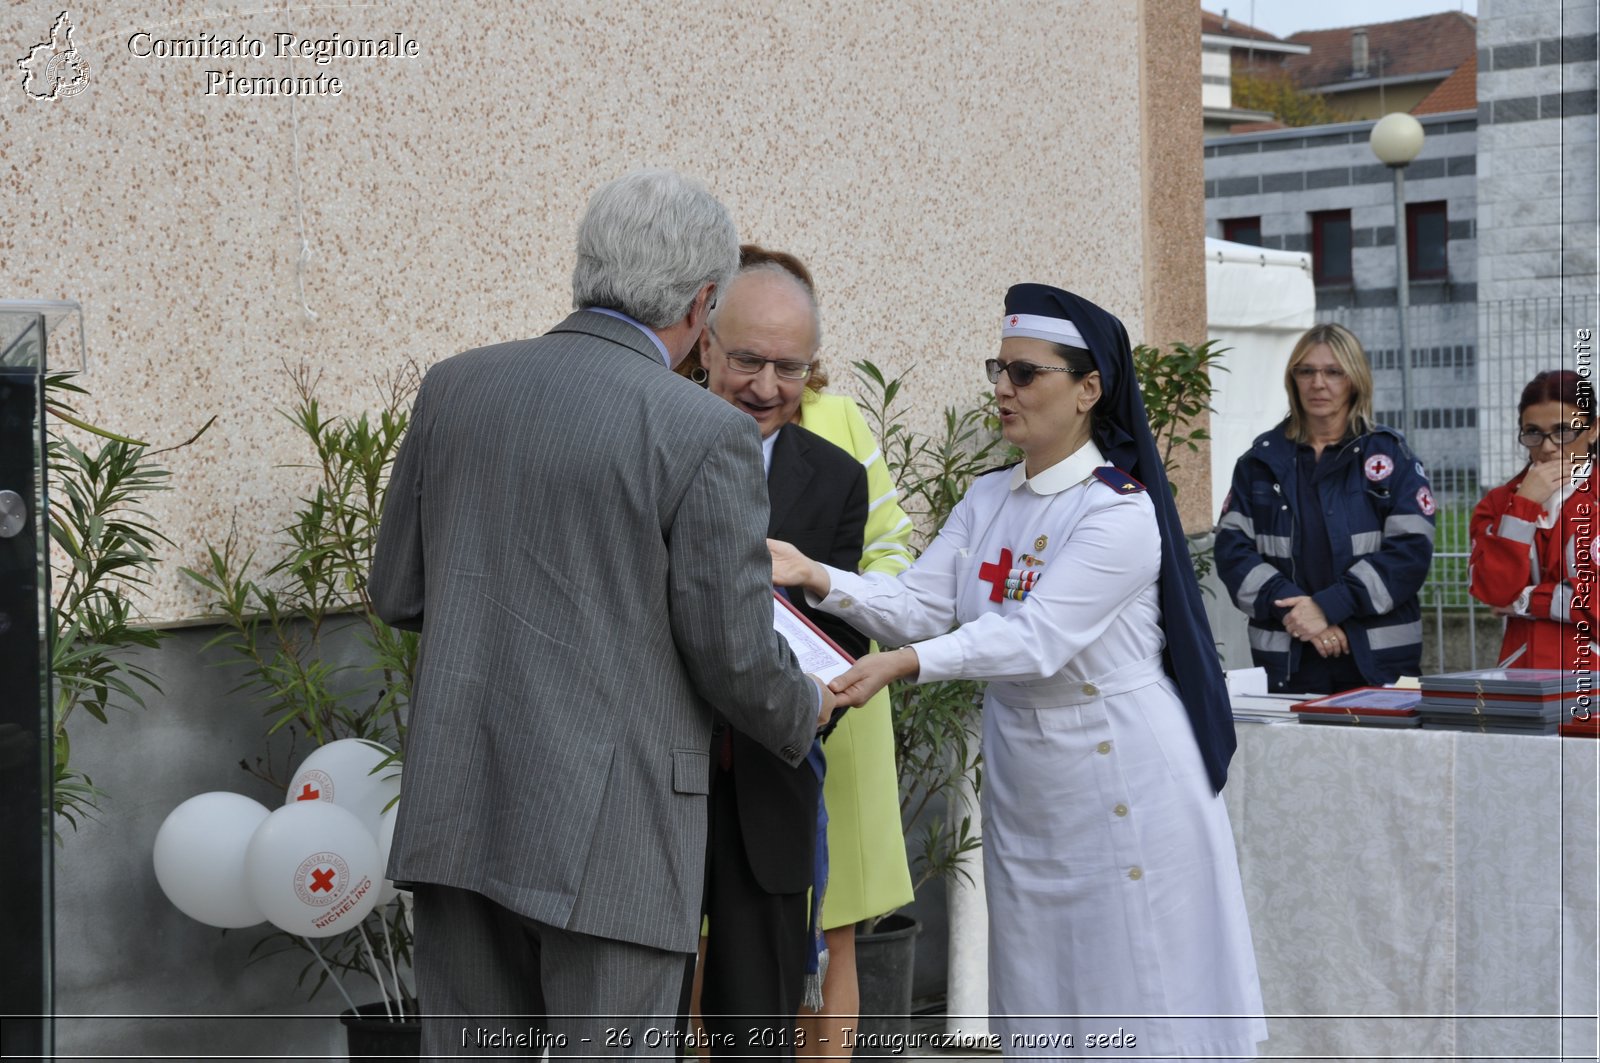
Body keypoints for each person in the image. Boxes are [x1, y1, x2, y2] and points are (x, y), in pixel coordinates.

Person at [368, 169, 835, 1057]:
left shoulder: (455, 387)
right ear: (703, 303)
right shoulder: (702, 431)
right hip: (615, 836)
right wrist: (802, 706)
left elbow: (399, 591)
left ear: (585, 268)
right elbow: (733, 653)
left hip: (460, 805)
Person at [771, 284, 1266, 1058]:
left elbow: (1035, 639)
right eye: (998, 370)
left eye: (1026, 373)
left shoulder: (1118, 511)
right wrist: (815, 574)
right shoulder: (987, 498)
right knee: (1040, 983)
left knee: (1136, 982)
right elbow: (914, 604)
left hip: (1123, 774)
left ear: (1089, 389)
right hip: (1029, 775)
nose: (1003, 388)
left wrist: (903, 667)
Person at [682, 244, 916, 1053]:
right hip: (677, 759)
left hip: (798, 749)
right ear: (706, 340)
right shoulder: (661, 433)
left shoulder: (835, 456)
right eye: (749, 358)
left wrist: (817, 598)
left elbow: (879, 583)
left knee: (806, 961)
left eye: (789, 365)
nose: (767, 385)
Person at [1215, 323, 1435, 693]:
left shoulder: (1390, 457)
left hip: (1378, 663)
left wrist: (1329, 607)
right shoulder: (1258, 463)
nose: (1318, 383)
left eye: (1333, 372)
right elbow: (1233, 552)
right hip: (1288, 659)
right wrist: (1296, 612)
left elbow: (1410, 553)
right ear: (1293, 379)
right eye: (1307, 371)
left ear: (1355, 380)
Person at [1470, 369, 1598, 669]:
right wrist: (1523, 506)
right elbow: (1494, 591)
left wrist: (1527, 600)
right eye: (1533, 432)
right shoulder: (1498, 503)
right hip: (1524, 681)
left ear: (1593, 430)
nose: (1548, 446)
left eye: (1564, 431)